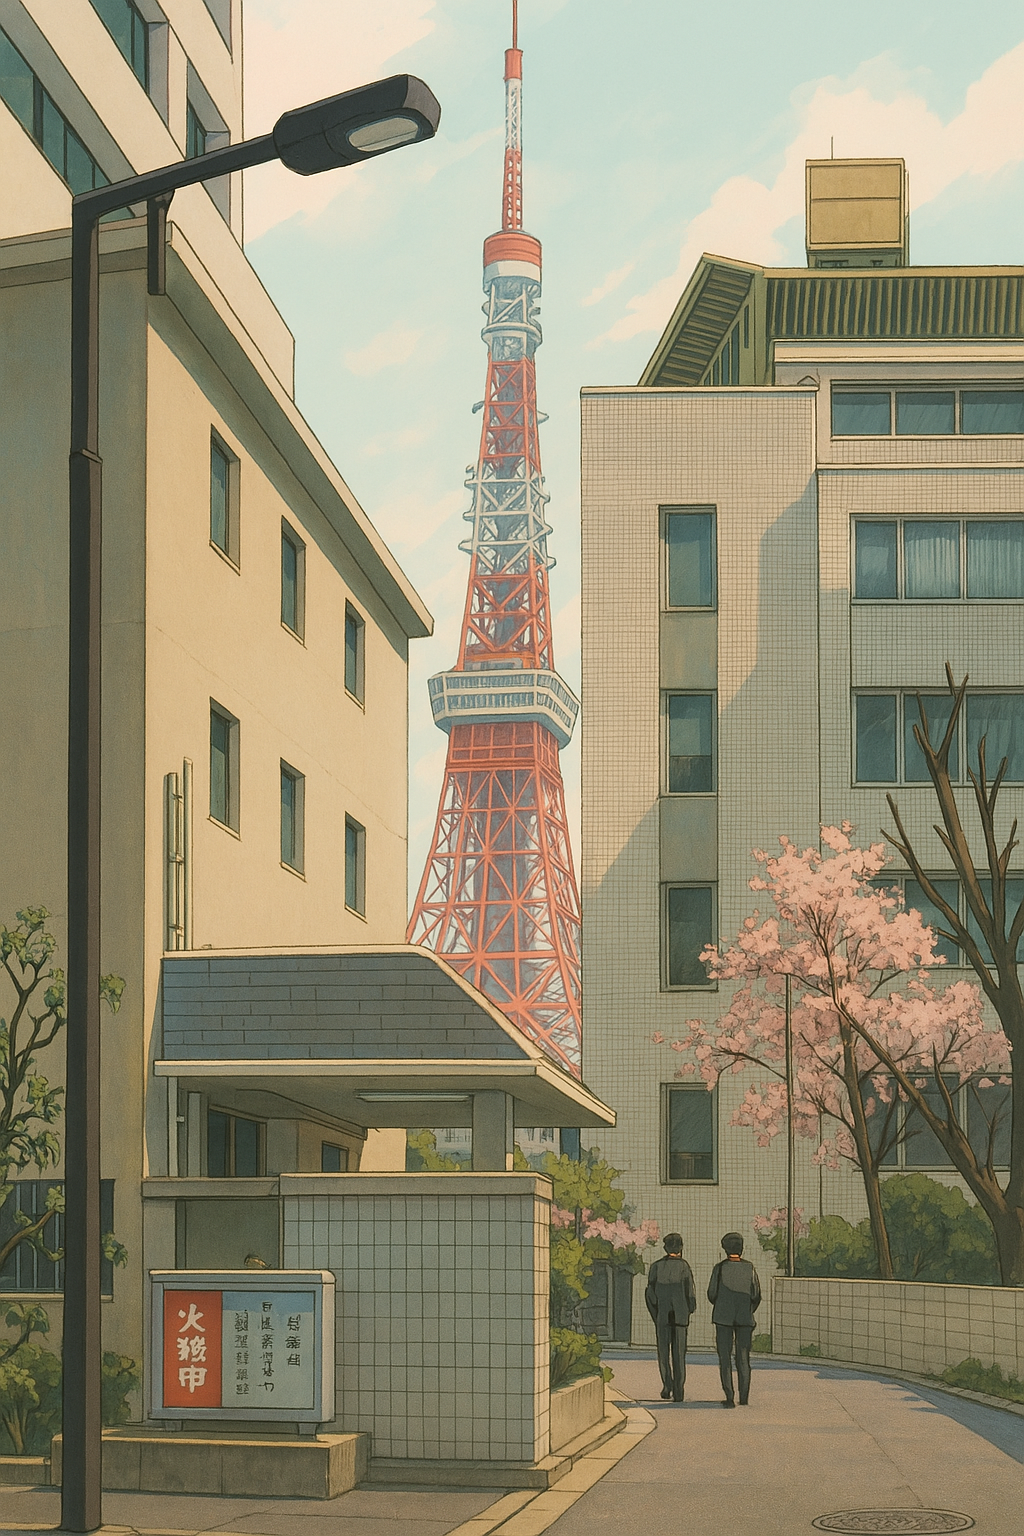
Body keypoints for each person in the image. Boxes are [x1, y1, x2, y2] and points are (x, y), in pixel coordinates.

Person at [707, 1231, 761, 1407]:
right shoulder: (750, 1268)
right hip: (745, 1318)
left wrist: (723, 1304)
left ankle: (729, 1397)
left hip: (723, 1318)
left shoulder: (719, 1268)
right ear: (742, 1248)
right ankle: (744, 1397)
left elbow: (711, 1294)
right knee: (743, 1357)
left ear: (724, 1249)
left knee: (725, 1357)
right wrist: (747, 1309)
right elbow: (756, 1295)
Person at [645, 1232, 696, 1401]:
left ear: (665, 1247)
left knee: (663, 1353)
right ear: (681, 1247)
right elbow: (690, 1293)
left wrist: (656, 1313)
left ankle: (667, 1385)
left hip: (662, 1316)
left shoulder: (656, 1267)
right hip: (681, 1317)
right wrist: (689, 1309)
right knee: (679, 1354)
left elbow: (650, 1293)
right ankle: (679, 1389)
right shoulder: (684, 1267)